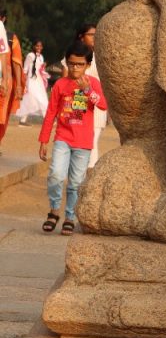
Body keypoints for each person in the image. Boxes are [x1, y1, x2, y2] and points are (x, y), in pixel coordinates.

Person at [39, 40, 108, 235]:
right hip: (63, 137)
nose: (75, 68)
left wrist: (87, 90)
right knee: (55, 175)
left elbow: (103, 105)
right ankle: (54, 211)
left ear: (87, 65)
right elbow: (51, 112)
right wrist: (43, 140)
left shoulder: (93, 83)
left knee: (76, 182)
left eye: (79, 64)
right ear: (66, 63)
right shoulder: (60, 84)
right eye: (71, 63)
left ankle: (69, 216)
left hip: (83, 142)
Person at [61, 23, 108, 168]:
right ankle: (80, 180)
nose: (94, 37)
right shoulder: (72, 56)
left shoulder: (101, 55)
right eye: (91, 35)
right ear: (82, 37)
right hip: (77, 104)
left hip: (96, 104)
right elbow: (65, 81)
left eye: (96, 34)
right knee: (79, 144)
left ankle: (87, 178)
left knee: (92, 143)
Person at [0, 9, 25, 146]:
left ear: (3, 19)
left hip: (5, 81)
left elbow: (16, 62)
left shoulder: (10, 38)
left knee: (1, 115)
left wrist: (19, 86)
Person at [17, 40, 49, 124]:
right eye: (37, 46)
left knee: (42, 99)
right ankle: (23, 120)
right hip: (31, 81)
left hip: (39, 81)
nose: (39, 48)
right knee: (30, 99)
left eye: (40, 46)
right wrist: (22, 82)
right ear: (34, 46)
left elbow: (40, 70)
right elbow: (25, 69)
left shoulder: (41, 57)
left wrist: (43, 67)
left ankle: (46, 119)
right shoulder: (30, 55)